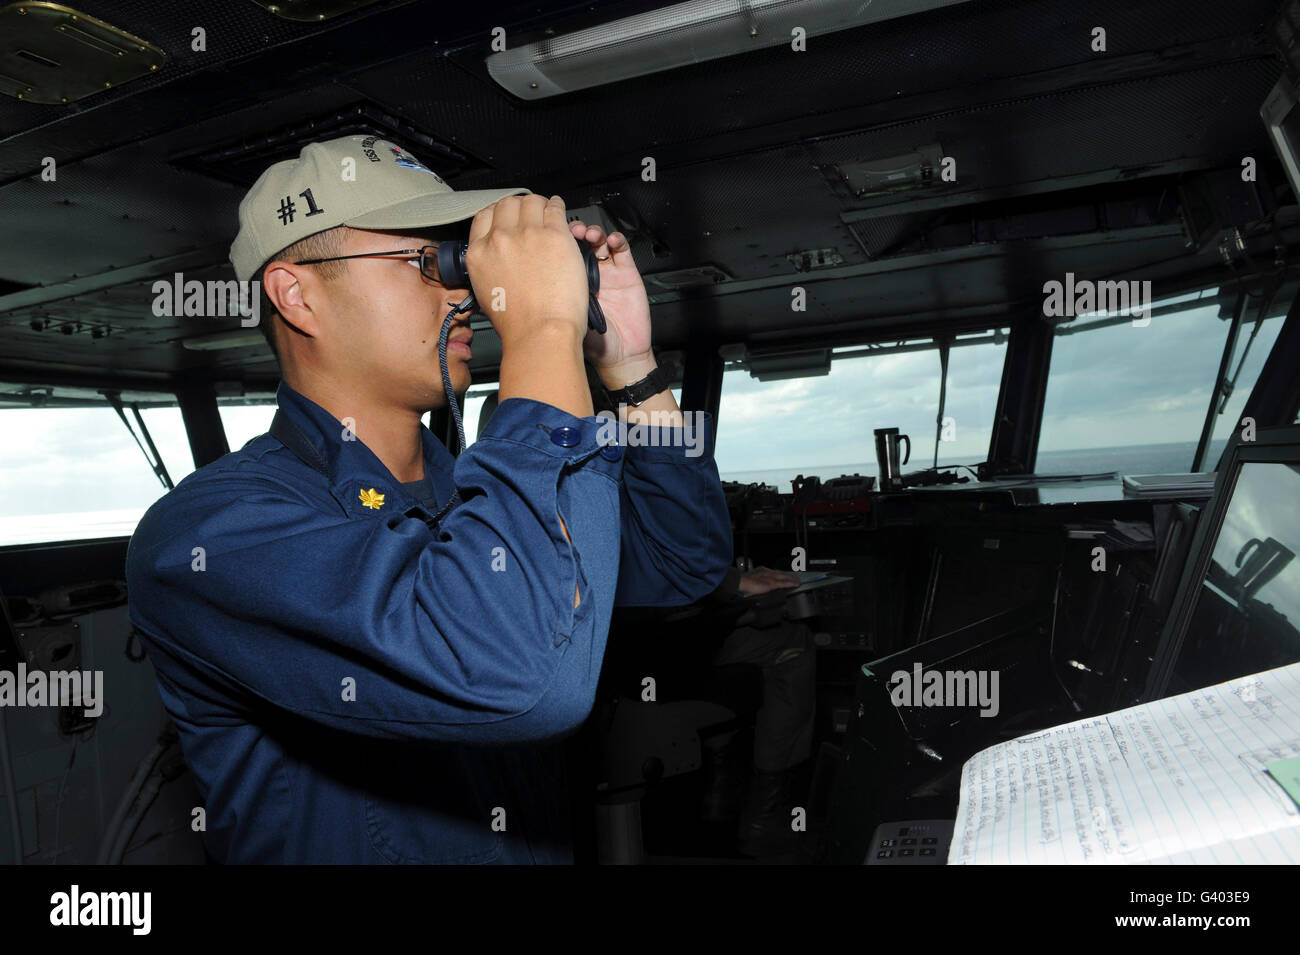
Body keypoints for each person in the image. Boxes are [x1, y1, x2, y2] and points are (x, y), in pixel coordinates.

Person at [125, 135, 732, 863]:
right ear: (298, 294)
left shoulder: (474, 491)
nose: (463, 290)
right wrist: (542, 327)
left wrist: (631, 368)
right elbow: (519, 674)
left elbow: (682, 561)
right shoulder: (209, 536)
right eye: (425, 261)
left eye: (459, 259)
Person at [703, 564, 817, 857]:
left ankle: (720, 794)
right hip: (683, 637)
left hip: (646, 633)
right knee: (796, 643)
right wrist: (740, 582)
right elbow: (687, 564)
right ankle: (764, 817)